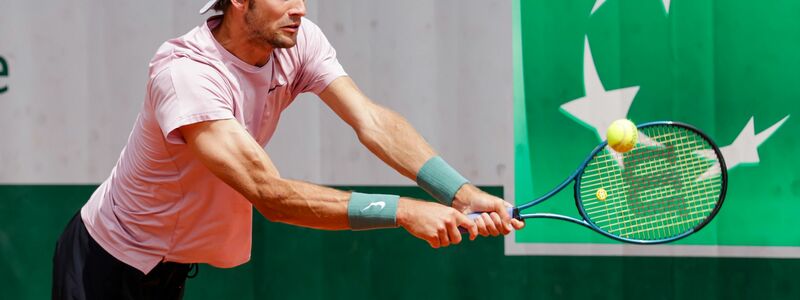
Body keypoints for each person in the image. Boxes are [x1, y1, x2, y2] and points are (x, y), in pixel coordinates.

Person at [52, 0, 524, 299]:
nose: (300, 8)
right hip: (106, 263)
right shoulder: (186, 76)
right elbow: (269, 193)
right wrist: (403, 212)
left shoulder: (296, 39)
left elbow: (372, 121)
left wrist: (458, 192)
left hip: (169, 265)